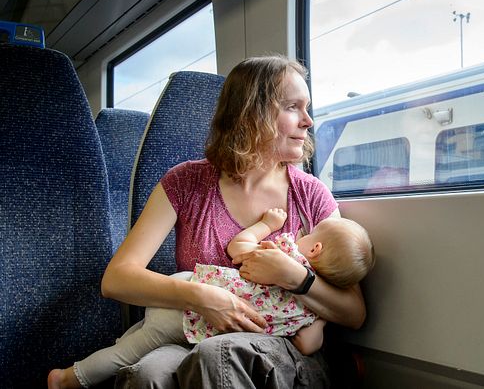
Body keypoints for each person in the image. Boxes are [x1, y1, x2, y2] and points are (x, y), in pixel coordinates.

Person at [48, 55, 369, 389]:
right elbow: (116, 280)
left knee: (219, 355)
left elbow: (354, 312)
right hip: (192, 328)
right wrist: (203, 298)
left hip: (281, 344)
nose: (308, 121)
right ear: (251, 113)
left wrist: (296, 278)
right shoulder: (186, 182)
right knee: (148, 374)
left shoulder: (311, 195)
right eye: (293, 107)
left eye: (307, 108)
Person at [48, 208, 374, 388]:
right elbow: (307, 344)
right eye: (293, 107)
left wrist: (266, 225)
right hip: (190, 306)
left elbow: (238, 249)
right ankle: (66, 380)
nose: (307, 120)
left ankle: (76, 374)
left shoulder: (284, 253)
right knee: (131, 353)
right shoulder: (313, 313)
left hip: (187, 290)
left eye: (310, 234)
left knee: (134, 347)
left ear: (314, 248)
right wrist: (319, 316)